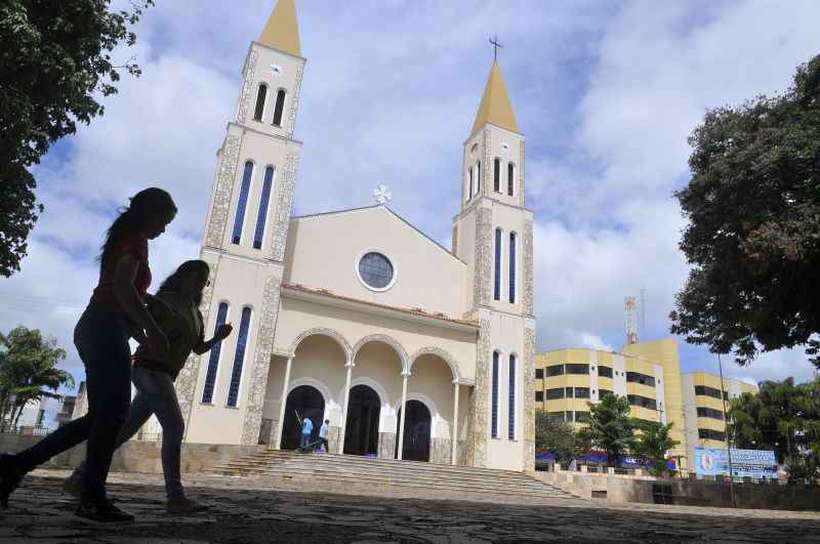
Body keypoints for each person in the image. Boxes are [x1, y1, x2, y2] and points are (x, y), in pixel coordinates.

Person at [0, 188, 177, 523]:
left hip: (102, 327)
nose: (164, 229)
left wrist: (145, 315)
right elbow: (122, 289)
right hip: (102, 327)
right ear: (150, 214)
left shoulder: (128, 236)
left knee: (102, 417)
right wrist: (153, 329)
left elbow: (124, 291)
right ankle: (91, 497)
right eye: (164, 221)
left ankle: (14, 467)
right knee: (112, 415)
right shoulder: (135, 238)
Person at [63, 260, 232, 514]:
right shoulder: (164, 300)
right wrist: (150, 340)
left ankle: (80, 477)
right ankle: (175, 495)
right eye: (198, 277)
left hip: (166, 374)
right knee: (174, 426)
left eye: (205, 281)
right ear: (184, 275)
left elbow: (197, 349)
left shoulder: (195, 314)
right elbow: (133, 323)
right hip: (149, 369)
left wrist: (217, 338)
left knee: (124, 430)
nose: (201, 284)